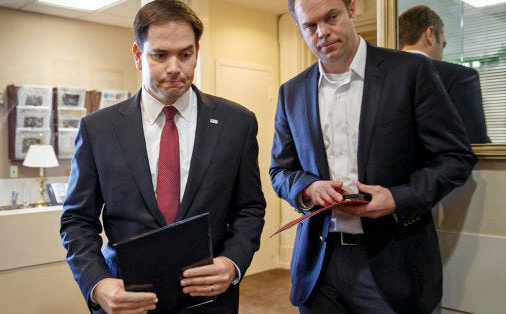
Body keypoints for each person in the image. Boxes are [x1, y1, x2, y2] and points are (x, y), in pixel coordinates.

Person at [270, 0, 477, 313]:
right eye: (310, 26)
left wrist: (398, 198)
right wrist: (309, 188)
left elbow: (455, 157)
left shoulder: (410, 72)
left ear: (352, 9)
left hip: (392, 261)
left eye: (332, 17)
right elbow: (280, 171)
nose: (323, 32)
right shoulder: (291, 92)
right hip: (318, 265)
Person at [60, 0, 266, 313]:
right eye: (160, 55)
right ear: (138, 55)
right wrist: (97, 284)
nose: (174, 67)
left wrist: (233, 262)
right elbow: (77, 220)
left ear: (197, 51)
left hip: (208, 299)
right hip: (128, 299)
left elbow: (249, 208)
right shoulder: (98, 129)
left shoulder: (236, 123)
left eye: (185, 54)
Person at [399, 5, 491, 143]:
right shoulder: (459, 77)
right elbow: (475, 141)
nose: (442, 54)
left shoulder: (378, 78)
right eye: (443, 44)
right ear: (430, 34)